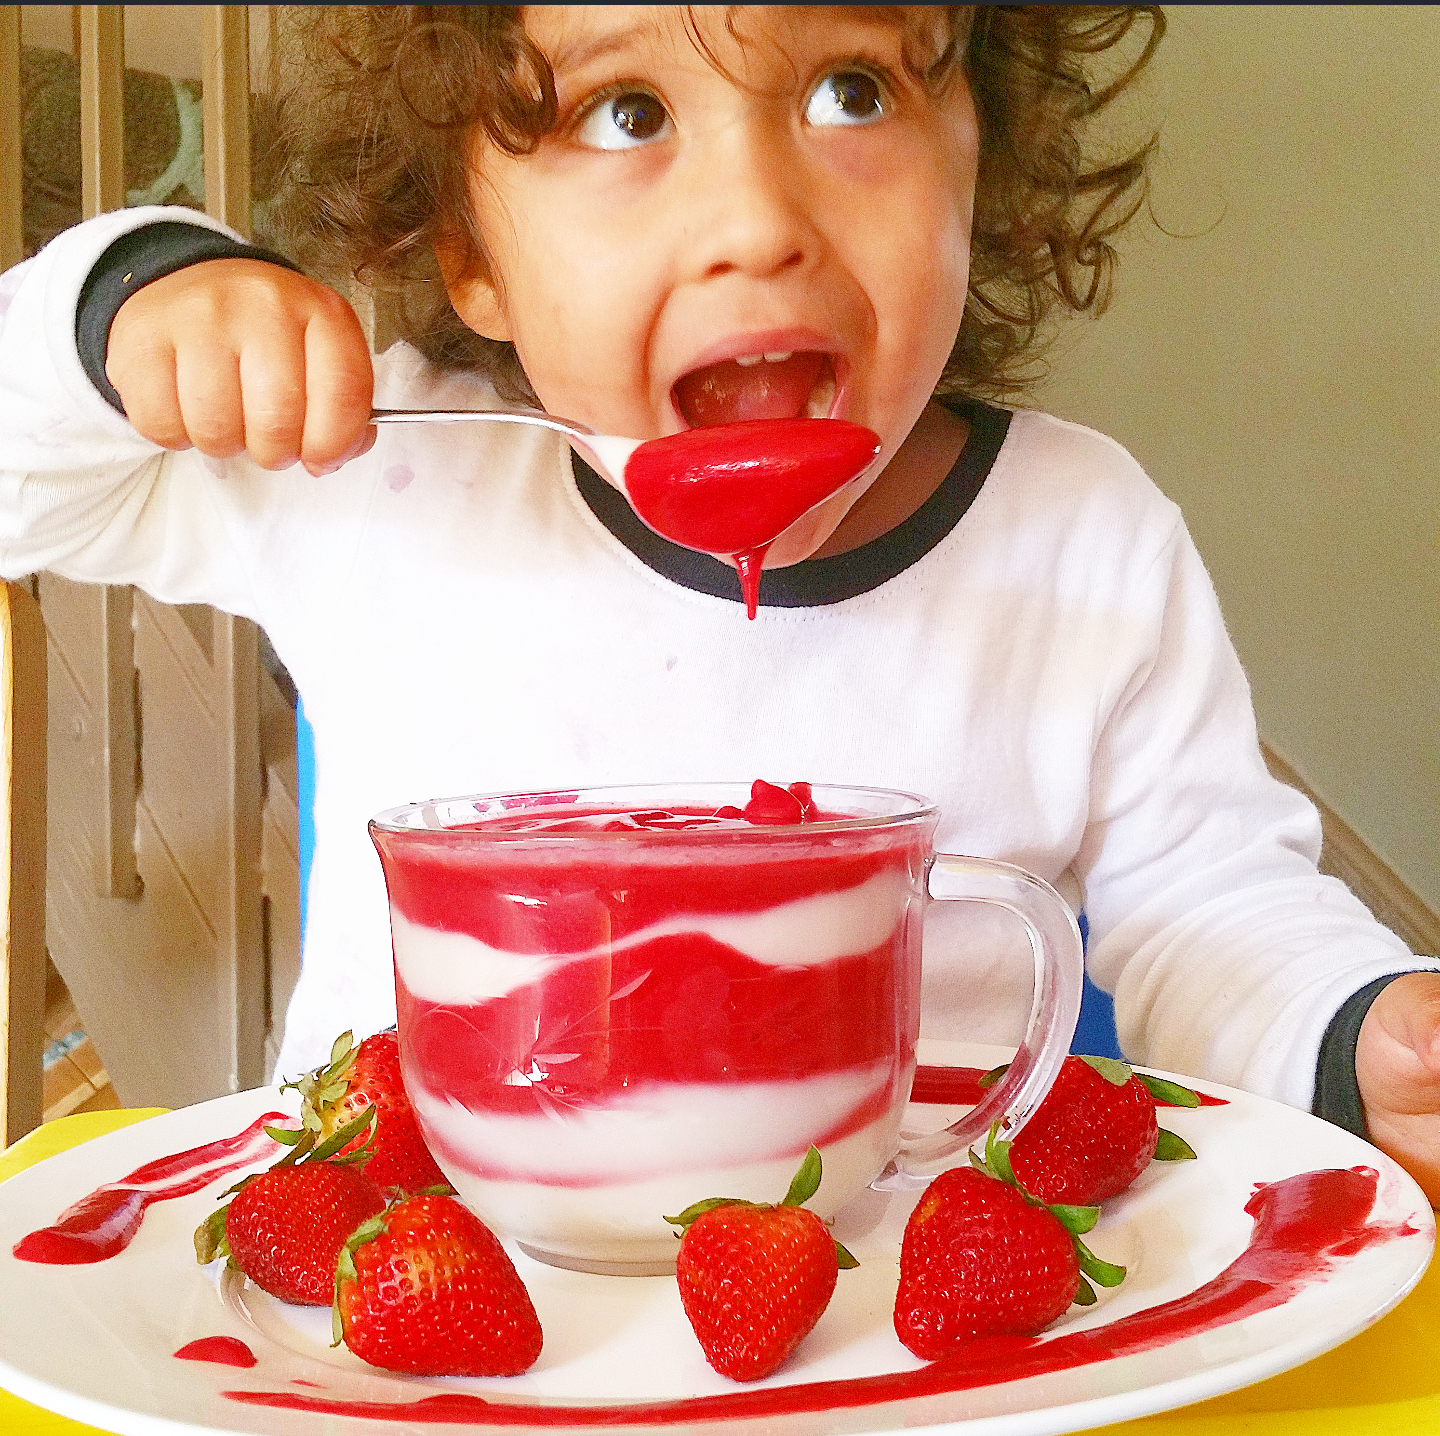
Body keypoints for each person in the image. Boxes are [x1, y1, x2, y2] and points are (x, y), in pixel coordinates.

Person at [3, 5, 1438, 1199]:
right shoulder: (377, 479)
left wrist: (1360, 1039)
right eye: (626, 113)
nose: (759, 223)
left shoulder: (1082, 540)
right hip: (418, 1312)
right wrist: (130, 299)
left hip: (887, 1341)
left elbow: (1211, 909)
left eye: (853, 90)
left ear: (978, 163)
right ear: (470, 255)